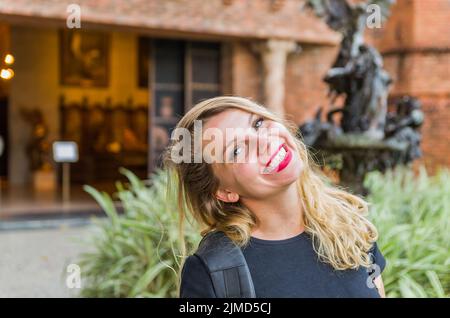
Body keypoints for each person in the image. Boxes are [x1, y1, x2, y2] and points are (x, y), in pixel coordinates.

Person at [163, 96, 386, 298]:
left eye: (257, 123)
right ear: (225, 192)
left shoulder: (349, 224)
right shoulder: (214, 271)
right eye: (237, 150)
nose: (264, 141)